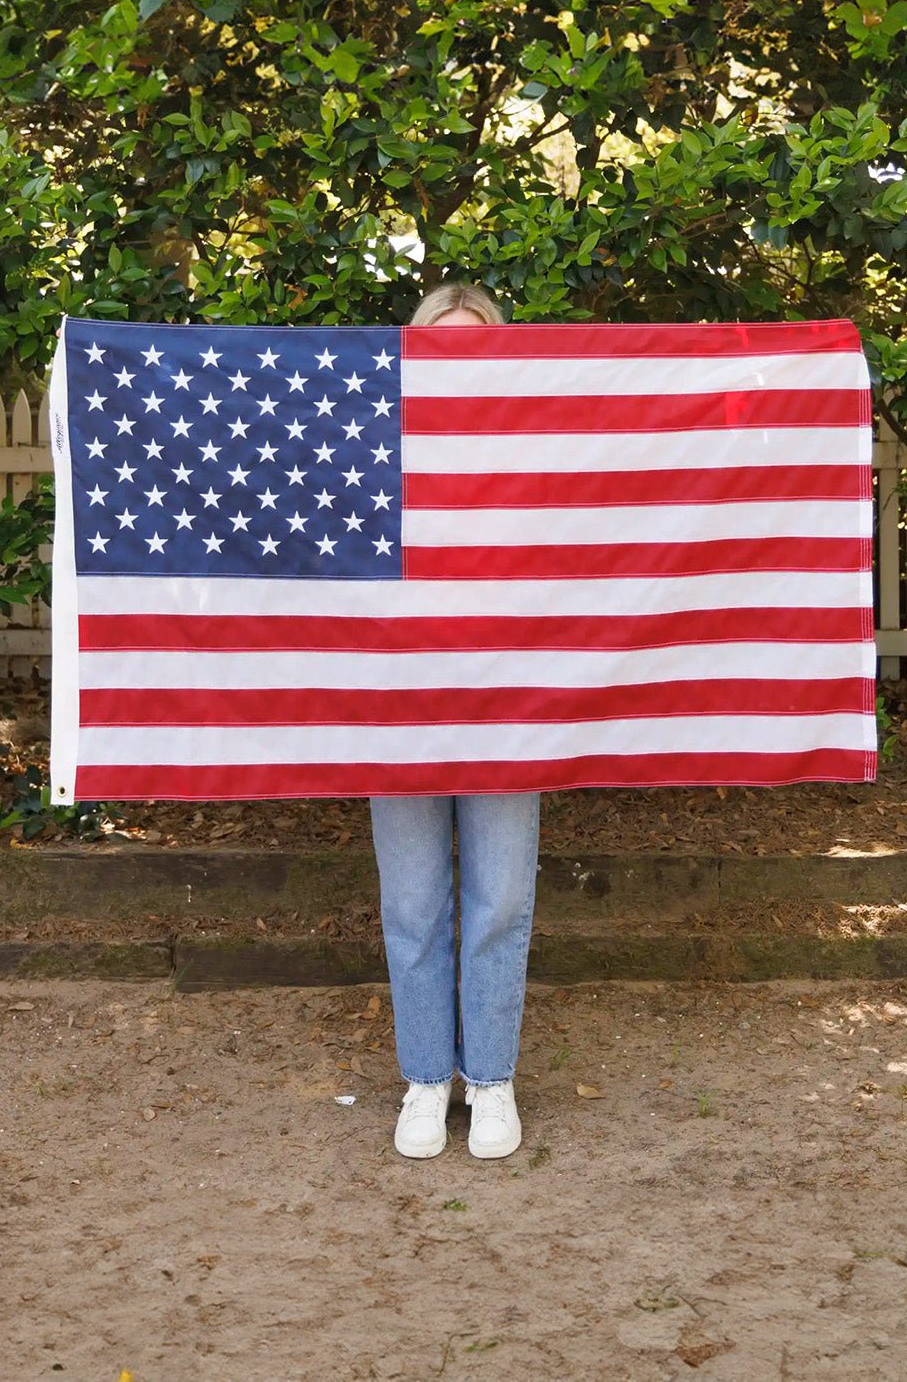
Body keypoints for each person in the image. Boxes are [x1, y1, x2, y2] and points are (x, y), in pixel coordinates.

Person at [371, 281, 541, 1161]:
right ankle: (427, 1078)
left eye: (475, 343)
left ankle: (493, 1078)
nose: (457, 358)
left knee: (501, 899)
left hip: (510, 707)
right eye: (440, 342)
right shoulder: (373, 440)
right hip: (397, 711)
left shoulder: (533, 450)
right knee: (412, 904)